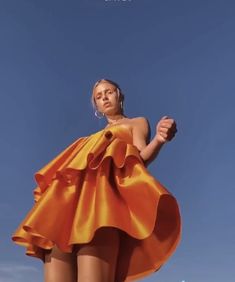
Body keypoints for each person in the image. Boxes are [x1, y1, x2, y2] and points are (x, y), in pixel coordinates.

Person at [12, 78, 181, 282]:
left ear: (120, 95)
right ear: (96, 106)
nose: (105, 98)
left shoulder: (136, 122)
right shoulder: (89, 140)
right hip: (68, 207)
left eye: (109, 92)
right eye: (99, 96)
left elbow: (140, 157)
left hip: (101, 206)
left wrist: (159, 140)